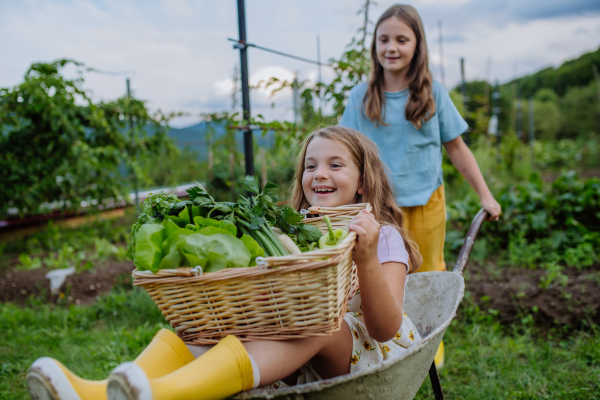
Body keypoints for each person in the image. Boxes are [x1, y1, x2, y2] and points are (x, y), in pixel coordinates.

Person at [27, 126, 424, 400]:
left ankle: (161, 395)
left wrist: (367, 255)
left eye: (335, 165)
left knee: (321, 320)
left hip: (372, 356)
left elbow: (385, 328)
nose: (319, 173)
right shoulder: (299, 230)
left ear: (363, 181)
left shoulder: (380, 234)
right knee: (205, 327)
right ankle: (100, 392)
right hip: (297, 345)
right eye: (310, 165)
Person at [339, 4, 502, 368]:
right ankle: (382, 339)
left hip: (426, 201)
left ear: (417, 45)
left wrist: (485, 195)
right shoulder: (360, 96)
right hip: (378, 207)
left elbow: (457, 148)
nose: (391, 47)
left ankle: (428, 341)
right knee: (380, 271)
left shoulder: (432, 95)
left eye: (401, 39)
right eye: (384, 39)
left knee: (428, 273)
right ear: (374, 46)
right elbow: (346, 148)